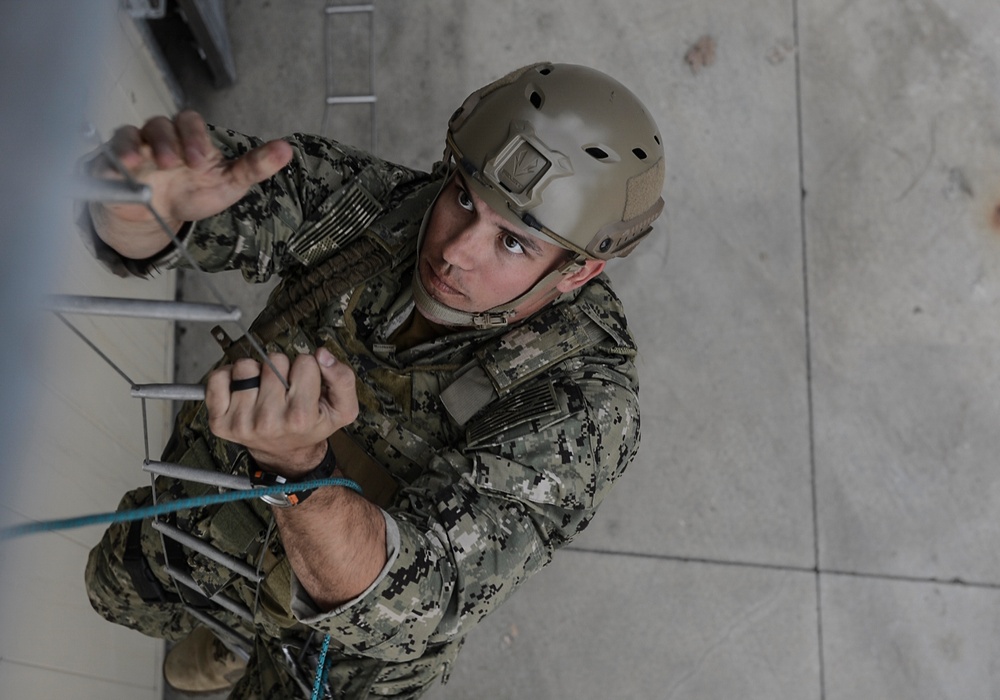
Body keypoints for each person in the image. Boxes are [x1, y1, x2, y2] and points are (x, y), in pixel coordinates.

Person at [83, 62, 665, 698]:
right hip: (216, 516)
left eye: (514, 244)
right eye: (465, 198)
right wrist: (140, 213)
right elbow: (228, 199)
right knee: (114, 592)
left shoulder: (580, 406)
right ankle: (229, 639)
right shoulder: (383, 209)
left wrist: (296, 472)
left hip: (340, 650)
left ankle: (246, 646)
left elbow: (430, 590)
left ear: (577, 272)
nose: (454, 252)